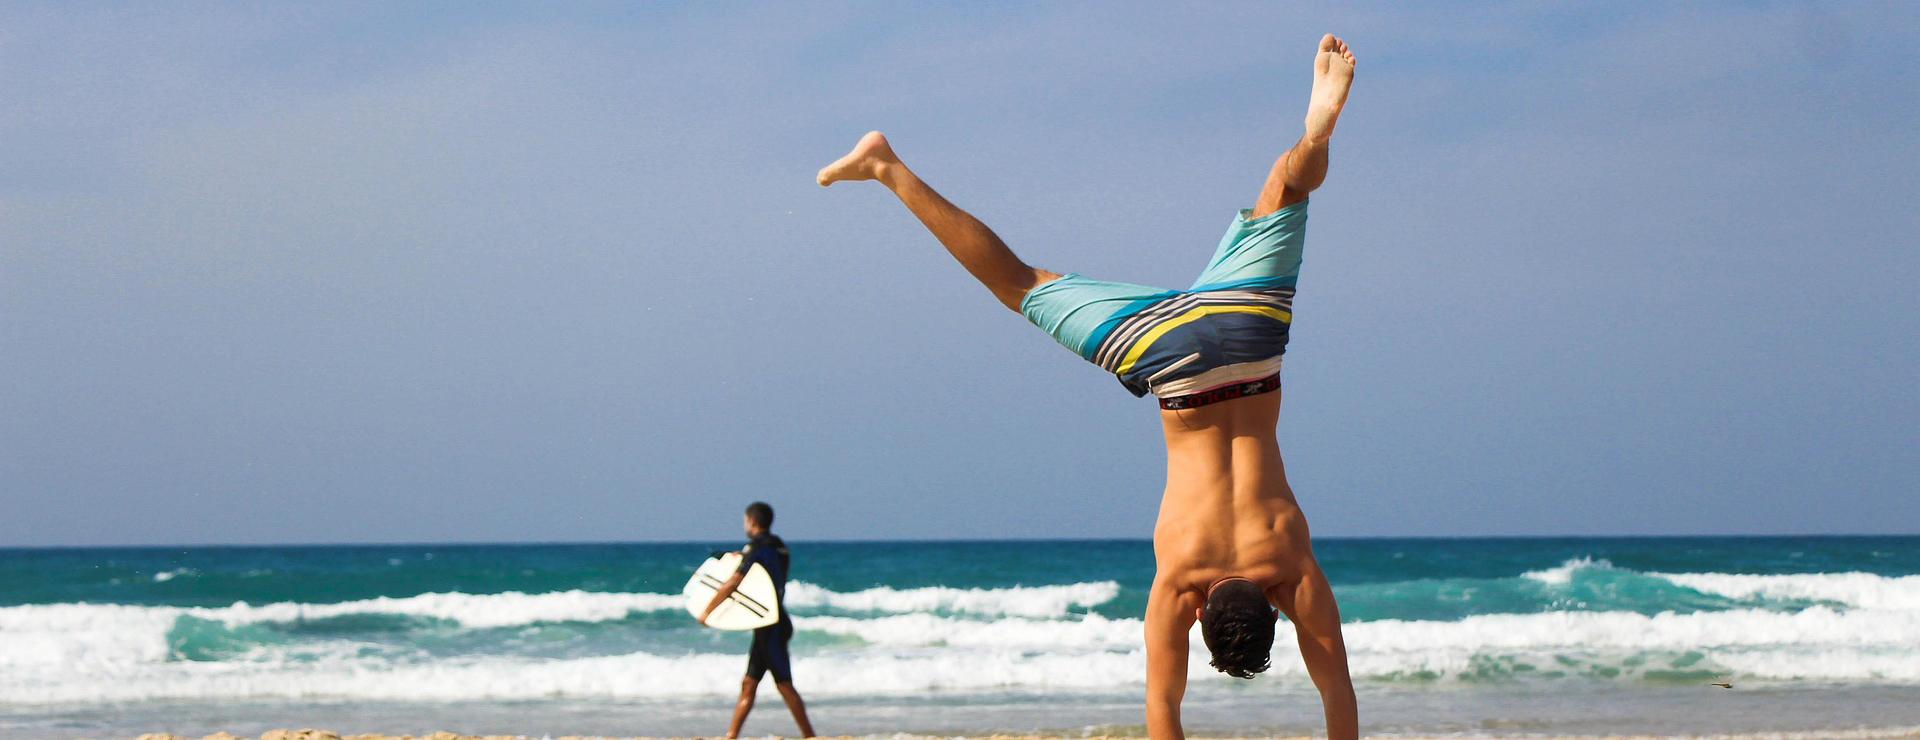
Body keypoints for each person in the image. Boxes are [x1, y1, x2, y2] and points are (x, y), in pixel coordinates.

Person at [816, 34, 1360, 740]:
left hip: (1248, 341)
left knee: (1283, 189)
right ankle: (885, 166)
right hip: (1174, 369)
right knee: (1017, 282)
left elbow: (1340, 699)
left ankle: (1313, 135)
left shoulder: (1293, 567)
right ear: (1199, 616)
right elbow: (1163, 710)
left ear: (1277, 608)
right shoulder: (1179, 584)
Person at [697, 501, 816, 739]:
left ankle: (810, 736)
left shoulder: (757, 548)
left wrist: (707, 611)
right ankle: (732, 735)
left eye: (744, 520)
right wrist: (740, 556)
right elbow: (766, 572)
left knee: (784, 683)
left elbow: (734, 583)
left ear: (751, 520)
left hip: (770, 626)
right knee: (749, 683)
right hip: (773, 622)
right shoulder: (779, 546)